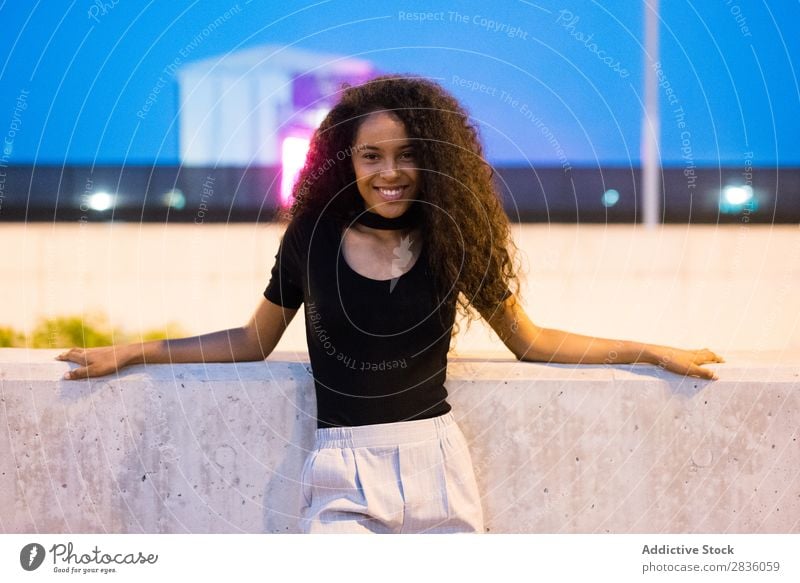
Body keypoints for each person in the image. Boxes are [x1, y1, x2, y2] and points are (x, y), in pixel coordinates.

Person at [56, 74, 724, 534]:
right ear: (344, 161)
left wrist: (649, 351)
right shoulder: (312, 240)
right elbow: (252, 339)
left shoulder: (451, 238)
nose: (389, 172)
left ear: (432, 160)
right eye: (371, 155)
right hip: (342, 473)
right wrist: (135, 350)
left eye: (406, 155)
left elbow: (530, 339)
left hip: (439, 468)